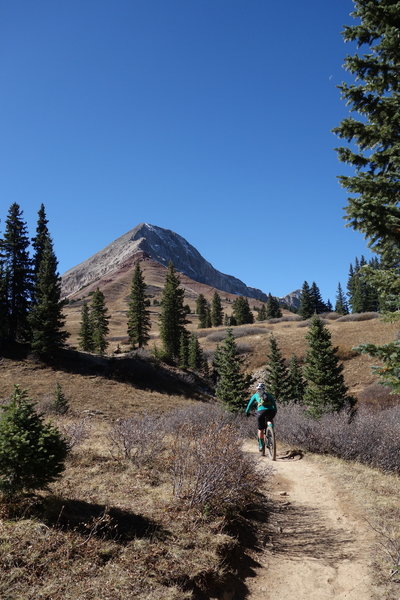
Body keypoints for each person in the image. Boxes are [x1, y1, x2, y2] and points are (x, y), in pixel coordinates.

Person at [245, 382, 277, 452]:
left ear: (257, 389)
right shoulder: (269, 395)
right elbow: (274, 405)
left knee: (260, 429)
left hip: (261, 412)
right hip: (271, 411)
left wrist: (247, 412)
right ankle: (270, 428)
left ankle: (261, 445)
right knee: (269, 419)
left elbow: (249, 405)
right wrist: (275, 411)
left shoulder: (255, 395)